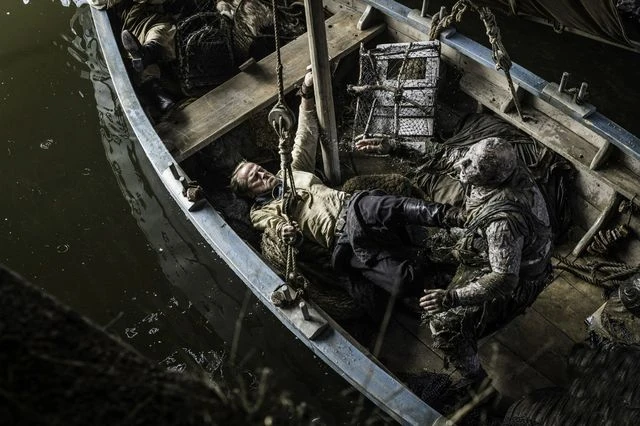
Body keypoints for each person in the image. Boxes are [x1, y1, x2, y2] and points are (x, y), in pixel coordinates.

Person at [230, 72, 466, 298]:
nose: (262, 174)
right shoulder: (261, 212)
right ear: (251, 193)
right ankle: (440, 280)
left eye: (258, 169)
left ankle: (453, 216)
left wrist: (306, 92)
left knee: (388, 207)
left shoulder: (290, 172)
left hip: (352, 207)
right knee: (402, 282)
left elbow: (305, 136)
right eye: (254, 178)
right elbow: (274, 226)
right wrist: (285, 231)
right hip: (342, 241)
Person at [417, 137, 553, 385]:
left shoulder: (502, 224)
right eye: (468, 155)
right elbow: (446, 156)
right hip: (498, 250)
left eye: (472, 165)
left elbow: (504, 279)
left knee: (445, 325)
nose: (462, 163)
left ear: (492, 178)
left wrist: (452, 298)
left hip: (516, 280)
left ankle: (477, 381)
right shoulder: (503, 167)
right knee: (436, 243)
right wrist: (394, 146)